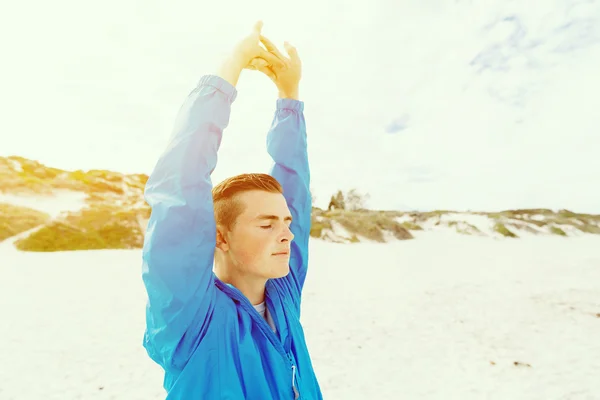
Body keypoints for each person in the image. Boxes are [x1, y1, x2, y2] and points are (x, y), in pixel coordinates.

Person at [141, 21, 323, 399]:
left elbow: (296, 193)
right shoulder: (190, 317)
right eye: (266, 224)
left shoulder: (283, 292)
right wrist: (230, 69)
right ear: (219, 237)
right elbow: (180, 185)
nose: (287, 234)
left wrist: (289, 95)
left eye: (285, 223)